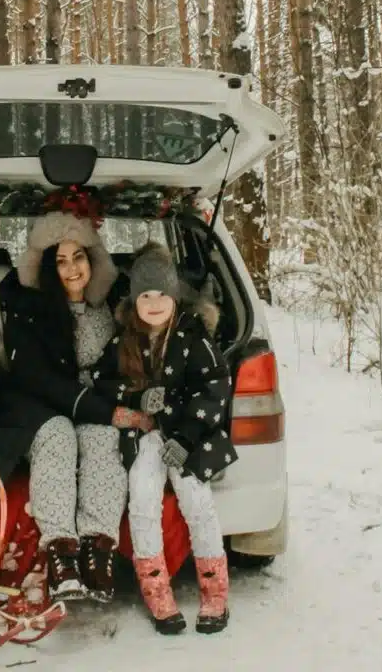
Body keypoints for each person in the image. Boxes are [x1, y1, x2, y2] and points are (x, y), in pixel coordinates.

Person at [0, 211, 152, 603]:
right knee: (59, 434)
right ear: (48, 267)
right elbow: (36, 378)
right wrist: (106, 410)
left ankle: (97, 549)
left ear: (93, 260)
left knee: (103, 439)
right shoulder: (28, 306)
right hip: (36, 405)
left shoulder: (113, 304)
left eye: (79, 257)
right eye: (60, 260)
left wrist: (125, 404)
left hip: (93, 405)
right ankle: (61, 553)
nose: (71, 269)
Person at [92, 243, 236, 634]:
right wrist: (136, 397)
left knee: (196, 499)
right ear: (134, 300)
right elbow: (103, 383)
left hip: (191, 435)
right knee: (141, 496)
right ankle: (157, 591)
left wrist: (188, 437)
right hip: (147, 436)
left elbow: (215, 387)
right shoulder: (124, 340)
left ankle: (215, 593)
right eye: (145, 295)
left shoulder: (194, 336)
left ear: (174, 296)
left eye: (161, 294)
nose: (154, 303)